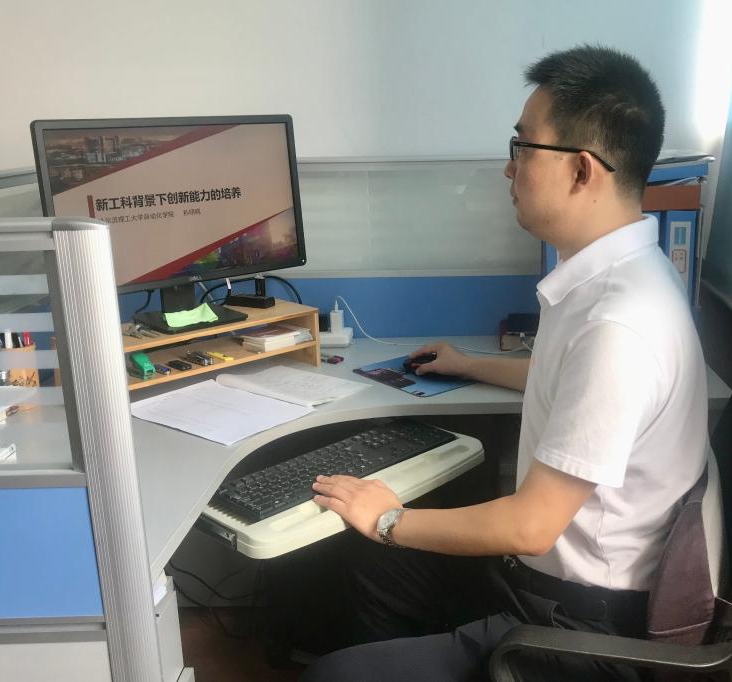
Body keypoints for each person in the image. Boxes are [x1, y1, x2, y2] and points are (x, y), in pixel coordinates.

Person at [301, 44, 710, 681]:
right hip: (551, 587)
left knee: (334, 671)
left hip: (578, 630)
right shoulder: (621, 278)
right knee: (372, 568)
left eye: (523, 147)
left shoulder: (618, 324)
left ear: (581, 170)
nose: (508, 168)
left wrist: (387, 518)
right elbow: (572, 389)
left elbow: (530, 527)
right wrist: (469, 364)